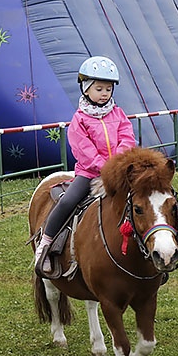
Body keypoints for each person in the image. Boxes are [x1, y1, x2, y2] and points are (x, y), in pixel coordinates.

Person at [34, 55, 136, 277]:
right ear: (86, 89)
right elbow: (84, 151)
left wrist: (117, 165)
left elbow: (127, 138)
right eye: (99, 88)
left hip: (118, 172)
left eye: (108, 89)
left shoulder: (118, 114)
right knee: (68, 201)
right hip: (89, 174)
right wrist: (105, 167)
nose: (104, 93)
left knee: (146, 199)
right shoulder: (79, 120)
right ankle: (47, 244)